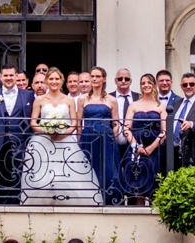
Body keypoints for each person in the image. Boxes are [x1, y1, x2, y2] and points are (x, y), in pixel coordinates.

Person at [25, 67, 97, 204]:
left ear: (61, 81)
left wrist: (63, 133)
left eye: (57, 79)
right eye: (51, 79)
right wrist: (47, 130)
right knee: (43, 173)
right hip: (44, 141)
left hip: (65, 140)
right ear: (46, 81)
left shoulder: (68, 100)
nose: (54, 81)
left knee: (66, 173)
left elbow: (74, 123)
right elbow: (33, 123)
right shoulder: (39, 100)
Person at [0, 65, 34, 205]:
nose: (9, 78)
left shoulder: (28, 95)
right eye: (5, 75)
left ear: (16, 76)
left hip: (21, 144)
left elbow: (32, 120)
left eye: (11, 75)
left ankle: (17, 209)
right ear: (0, 77)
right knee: (1, 180)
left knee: (18, 178)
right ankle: (1, 211)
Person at [79, 66, 122, 202]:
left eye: (98, 76)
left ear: (104, 79)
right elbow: (79, 123)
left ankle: (108, 199)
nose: (94, 79)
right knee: (87, 169)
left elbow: (116, 123)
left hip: (106, 138)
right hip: (88, 138)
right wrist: (80, 141)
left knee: (108, 169)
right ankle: (88, 199)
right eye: (92, 76)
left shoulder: (111, 100)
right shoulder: (82, 99)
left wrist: (112, 136)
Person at [123, 73, 167, 197]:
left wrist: (151, 148)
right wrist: (135, 146)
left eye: (149, 83)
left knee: (154, 182)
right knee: (137, 183)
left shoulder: (161, 106)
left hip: (154, 149)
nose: (146, 85)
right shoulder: (134, 105)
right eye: (143, 83)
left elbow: (164, 131)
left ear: (154, 85)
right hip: (136, 147)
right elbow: (126, 128)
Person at [110, 68, 137, 160]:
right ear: (115, 81)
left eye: (127, 79)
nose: (123, 81)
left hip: (133, 142)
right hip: (113, 142)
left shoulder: (139, 97)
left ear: (131, 81)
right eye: (120, 79)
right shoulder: (108, 97)